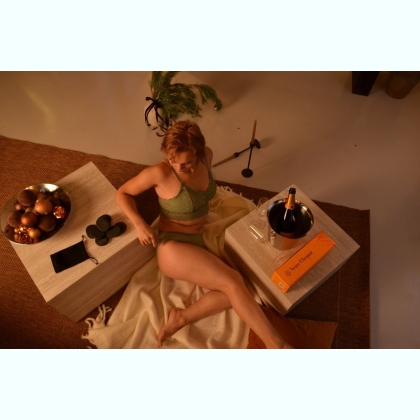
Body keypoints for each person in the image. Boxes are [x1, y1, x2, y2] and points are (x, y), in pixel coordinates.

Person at [115, 120, 293, 349]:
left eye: (186, 162)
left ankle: (182, 317)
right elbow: (123, 193)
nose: (178, 167)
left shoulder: (207, 155)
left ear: (198, 152)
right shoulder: (160, 172)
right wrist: (140, 224)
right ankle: (276, 344)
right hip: (173, 245)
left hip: (200, 237)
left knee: (238, 289)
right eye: (172, 160)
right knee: (234, 282)